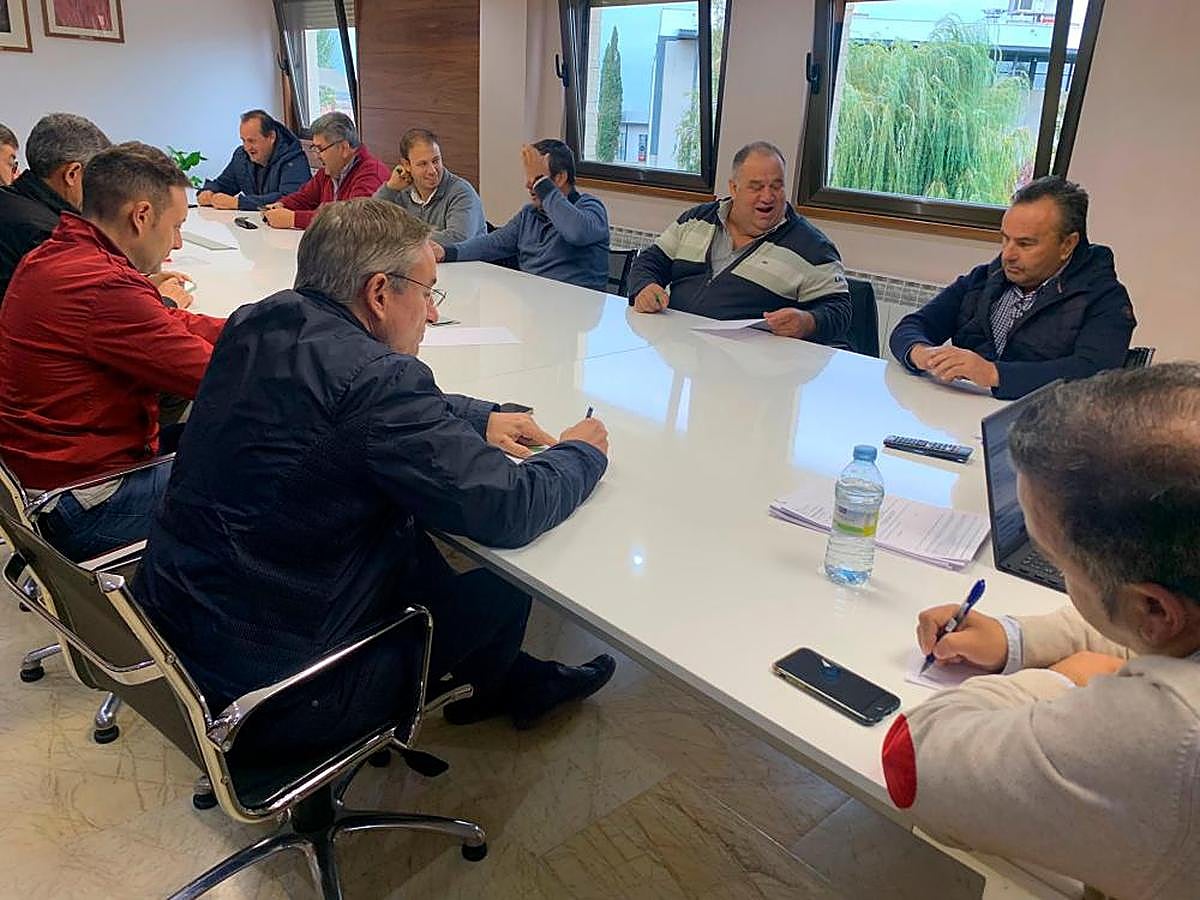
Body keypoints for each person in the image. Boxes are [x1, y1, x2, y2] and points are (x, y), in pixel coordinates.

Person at [134, 198, 616, 759]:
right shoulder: (379, 382)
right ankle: (503, 678)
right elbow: (506, 507)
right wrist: (580, 455)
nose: (433, 314)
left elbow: (338, 399)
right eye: (429, 292)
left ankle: (518, 682)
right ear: (380, 292)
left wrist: (474, 417)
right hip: (279, 691)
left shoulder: (258, 322)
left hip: (175, 630)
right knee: (500, 587)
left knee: (410, 545)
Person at [882, 364, 1200, 900]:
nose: (1059, 578)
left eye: (1061, 567)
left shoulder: (1174, 733)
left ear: (1151, 606)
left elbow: (914, 762)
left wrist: (1061, 679)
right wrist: (1017, 640)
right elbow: (1167, 626)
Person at [0, 142, 225, 561]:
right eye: (175, 226)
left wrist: (261, 326)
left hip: (43, 483)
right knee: (271, 467)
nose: (176, 244)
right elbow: (219, 378)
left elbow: (170, 324)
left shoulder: (58, 255)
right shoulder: (102, 287)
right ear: (140, 216)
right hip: (84, 504)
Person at [889, 176, 1135, 400]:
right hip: (963, 415)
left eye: (1025, 244)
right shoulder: (985, 279)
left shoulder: (1105, 298)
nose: (1008, 254)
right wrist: (921, 353)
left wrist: (995, 374)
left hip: (1047, 428)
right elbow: (911, 326)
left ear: (1067, 245)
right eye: (1005, 239)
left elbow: (1093, 374)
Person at [627, 141, 851, 345]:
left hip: (752, 370)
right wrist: (645, 287)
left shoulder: (812, 247)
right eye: (756, 187)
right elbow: (649, 261)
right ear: (734, 188)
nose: (768, 197)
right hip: (679, 352)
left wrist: (808, 321)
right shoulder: (695, 220)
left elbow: (840, 311)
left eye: (776, 186)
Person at [434, 140, 609, 291]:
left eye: (536, 177)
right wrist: (447, 252)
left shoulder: (591, 208)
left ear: (560, 178)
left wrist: (542, 184)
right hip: (536, 306)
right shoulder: (530, 214)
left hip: (578, 313)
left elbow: (576, 232)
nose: (528, 184)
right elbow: (493, 243)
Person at [0, 113, 112, 303]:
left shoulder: (10, 201)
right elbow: (95, 308)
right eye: (97, 178)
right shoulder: (53, 236)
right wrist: (161, 296)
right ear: (72, 174)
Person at [262, 112, 388, 230]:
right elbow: (304, 198)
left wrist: (294, 219)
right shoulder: (328, 171)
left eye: (320, 149)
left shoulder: (371, 174)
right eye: (314, 148)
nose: (317, 156)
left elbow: (352, 220)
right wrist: (281, 205)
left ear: (344, 148)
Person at [374, 127, 485, 243]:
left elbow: (457, 239)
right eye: (423, 164)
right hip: (413, 260)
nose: (432, 170)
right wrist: (390, 189)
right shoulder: (401, 192)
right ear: (406, 165)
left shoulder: (461, 192)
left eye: (436, 161)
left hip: (462, 261)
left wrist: (400, 236)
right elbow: (368, 226)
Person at [196, 109, 310, 211]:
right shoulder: (241, 156)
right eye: (243, 140)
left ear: (271, 137)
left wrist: (239, 203)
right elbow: (223, 184)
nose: (246, 147)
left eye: (252, 141)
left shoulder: (294, 159)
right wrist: (209, 191)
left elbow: (290, 199)